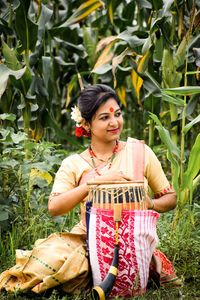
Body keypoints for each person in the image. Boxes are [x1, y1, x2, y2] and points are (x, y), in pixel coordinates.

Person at [0, 84, 181, 297]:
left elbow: (170, 198)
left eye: (118, 114)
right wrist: (94, 183)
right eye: (104, 118)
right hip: (87, 240)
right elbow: (54, 208)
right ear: (86, 124)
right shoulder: (74, 163)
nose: (114, 123)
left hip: (134, 238)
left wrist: (150, 204)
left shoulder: (140, 152)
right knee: (46, 262)